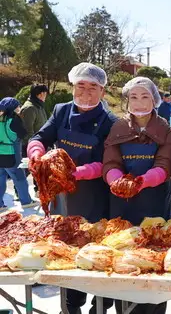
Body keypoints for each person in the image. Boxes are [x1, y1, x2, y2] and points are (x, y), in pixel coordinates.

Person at [28, 63, 117, 314]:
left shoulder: (110, 122)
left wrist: (76, 173)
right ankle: (70, 306)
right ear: (72, 86)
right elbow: (40, 138)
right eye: (81, 86)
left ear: (102, 91)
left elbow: (108, 162)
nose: (86, 92)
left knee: (97, 252)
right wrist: (36, 152)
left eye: (93, 87)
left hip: (95, 199)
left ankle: (100, 305)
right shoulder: (61, 111)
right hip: (63, 199)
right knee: (67, 252)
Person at [102, 77, 171, 314]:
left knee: (154, 259)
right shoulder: (118, 128)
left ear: (154, 100)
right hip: (122, 203)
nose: (139, 102)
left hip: (154, 201)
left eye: (145, 96)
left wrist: (142, 181)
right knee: (123, 257)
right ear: (127, 100)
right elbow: (111, 161)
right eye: (133, 97)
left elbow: (164, 164)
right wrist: (116, 180)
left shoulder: (165, 129)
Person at [0, 98, 35, 209]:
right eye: (17, 107)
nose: (19, 108)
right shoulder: (13, 120)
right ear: (13, 108)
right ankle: (26, 201)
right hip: (11, 154)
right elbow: (23, 134)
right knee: (19, 178)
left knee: (1, 179)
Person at [20, 84, 49, 154]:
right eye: (45, 94)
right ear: (41, 94)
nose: (46, 96)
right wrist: (34, 147)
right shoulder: (29, 108)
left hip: (40, 145)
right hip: (31, 148)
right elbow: (28, 132)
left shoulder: (39, 106)